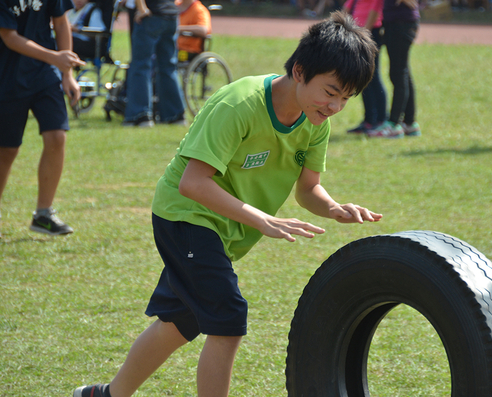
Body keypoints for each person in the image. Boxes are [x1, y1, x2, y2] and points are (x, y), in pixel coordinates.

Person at [72, 11, 380, 397]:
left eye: (345, 99)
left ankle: (105, 395)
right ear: (300, 71)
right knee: (229, 319)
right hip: (186, 216)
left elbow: (308, 190)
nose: (335, 106)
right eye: (331, 92)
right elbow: (192, 183)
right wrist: (261, 218)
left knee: (178, 323)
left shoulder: (316, 120)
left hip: (221, 228)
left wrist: (333, 207)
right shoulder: (240, 105)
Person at [0, 0, 85, 238]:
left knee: (57, 136)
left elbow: (60, 22)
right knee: (6, 150)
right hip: (8, 77)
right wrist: (54, 57)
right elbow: (9, 37)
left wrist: (67, 74)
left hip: (44, 75)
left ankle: (43, 214)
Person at [122, 0, 186, 127]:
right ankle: (175, 114)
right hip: (171, 15)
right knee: (168, 67)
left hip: (152, 14)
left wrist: (141, 9)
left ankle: (140, 114)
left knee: (141, 66)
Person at [368, 0, 420, 138]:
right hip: (397, 23)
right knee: (403, 72)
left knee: (398, 73)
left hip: (400, 24)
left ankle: (394, 123)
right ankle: (409, 122)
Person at [343, 0, 387, 134]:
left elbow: (376, 8)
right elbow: (348, 6)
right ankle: (369, 120)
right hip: (358, 33)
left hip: (370, 33)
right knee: (363, 77)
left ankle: (381, 120)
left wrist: (364, 34)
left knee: (373, 76)